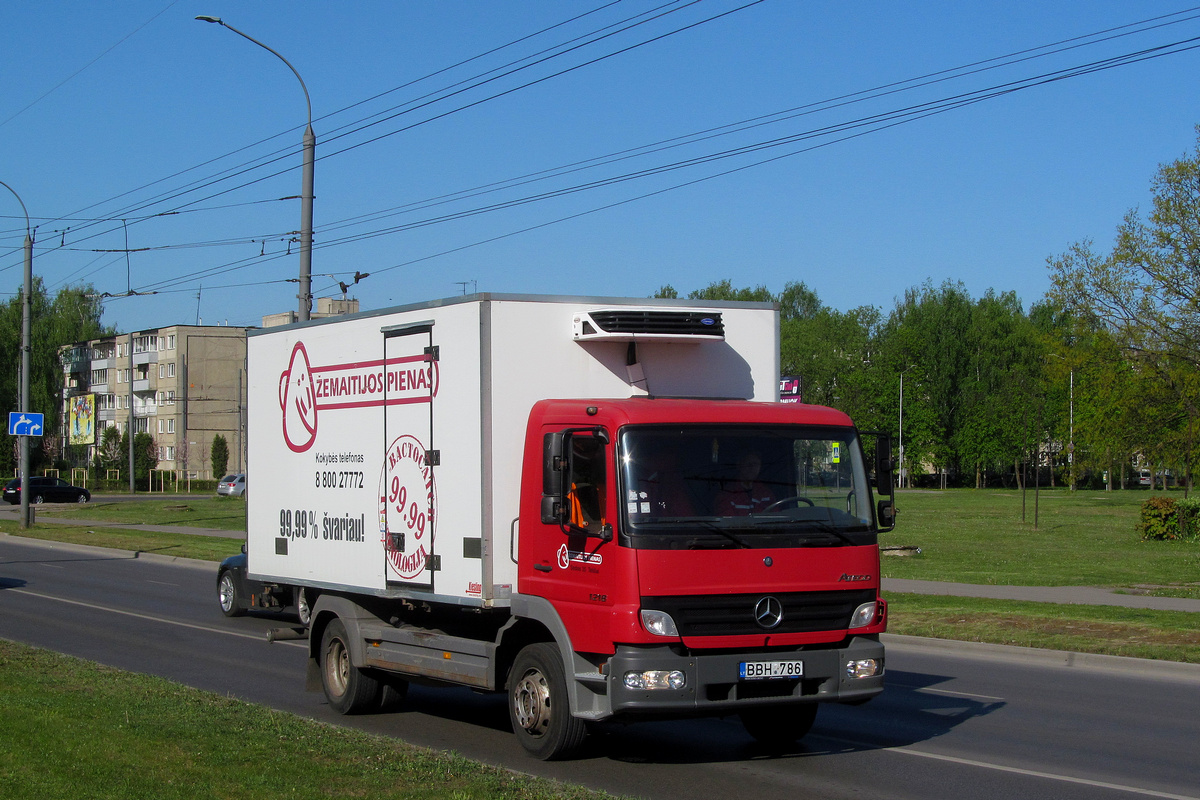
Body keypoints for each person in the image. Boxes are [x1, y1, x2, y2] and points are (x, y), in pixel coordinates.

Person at [714, 451, 775, 516]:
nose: (752, 468)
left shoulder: (766, 494)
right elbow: (726, 523)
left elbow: (776, 519)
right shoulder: (727, 494)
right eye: (748, 464)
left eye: (756, 464)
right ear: (739, 465)